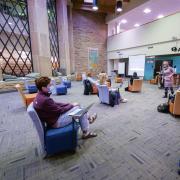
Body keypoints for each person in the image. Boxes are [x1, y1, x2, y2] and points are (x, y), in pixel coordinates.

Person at [33, 77, 97, 139]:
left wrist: (70, 104)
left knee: (78, 107)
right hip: (57, 122)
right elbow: (60, 110)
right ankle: (86, 131)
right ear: (43, 88)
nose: (51, 87)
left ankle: (89, 119)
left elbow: (56, 104)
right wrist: (72, 106)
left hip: (54, 119)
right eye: (49, 85)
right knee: (80, 110)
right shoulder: (45, 100)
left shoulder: (40, 96)